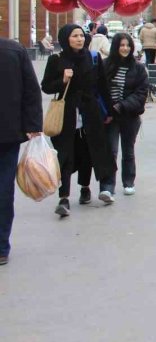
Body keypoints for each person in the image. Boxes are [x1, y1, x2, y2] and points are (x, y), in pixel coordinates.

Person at [42, 24, 115, 216]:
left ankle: (85, 187)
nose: (79, 39)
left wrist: (109, 112)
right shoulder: (56, 59)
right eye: (74, 36)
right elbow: (47, 86)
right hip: (67, 114)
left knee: (87, 152)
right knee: (65, 154)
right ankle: (64, 197)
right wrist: (63, 81)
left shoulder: (93, 58)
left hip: (90, 112)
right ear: (66, 38)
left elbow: (102, 87)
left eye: (81, 36)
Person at [0, 38, 43, 266]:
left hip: (7, 134)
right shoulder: (14, 50)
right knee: (3, 190)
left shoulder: (14, 50)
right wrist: (32, 125)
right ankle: (1, 247)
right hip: (7, 133)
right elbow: (31, 90)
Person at [105, 33, 149, 196]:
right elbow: (100, 91)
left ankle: (128, 181)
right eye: (121, 45)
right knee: (111, 151)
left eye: (128, 45)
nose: (125, 48)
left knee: (128, 150)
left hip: (129, 116)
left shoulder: (138, 68)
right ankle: (108, 185)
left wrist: (121, 106)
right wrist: (108, 109)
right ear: (115, 47)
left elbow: (141, 93)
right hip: (110, 117)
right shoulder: (105, 65)